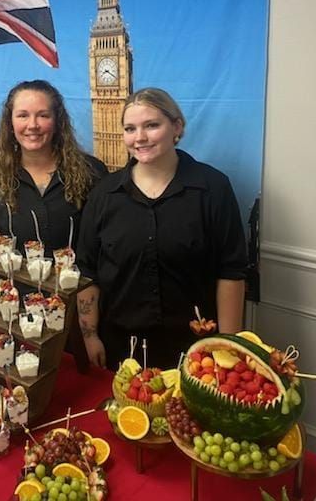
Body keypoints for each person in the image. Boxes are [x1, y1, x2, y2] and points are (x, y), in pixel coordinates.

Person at [75, 88, 247, 370]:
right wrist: (90, 336)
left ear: (177, 127)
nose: (139, 137)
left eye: (151, 125)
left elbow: (230, 272)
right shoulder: (103, 194)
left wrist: (227, 349)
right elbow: (87, 272)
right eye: (130, 128)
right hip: (121, 348)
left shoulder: (213, 188)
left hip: (196, 353)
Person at [0, 80, 107, 253]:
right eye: (23, 115)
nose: (33, 125)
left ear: (57, 122)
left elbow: (109, 240)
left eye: (43, 115)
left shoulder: (92, 173)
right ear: (10, 123)